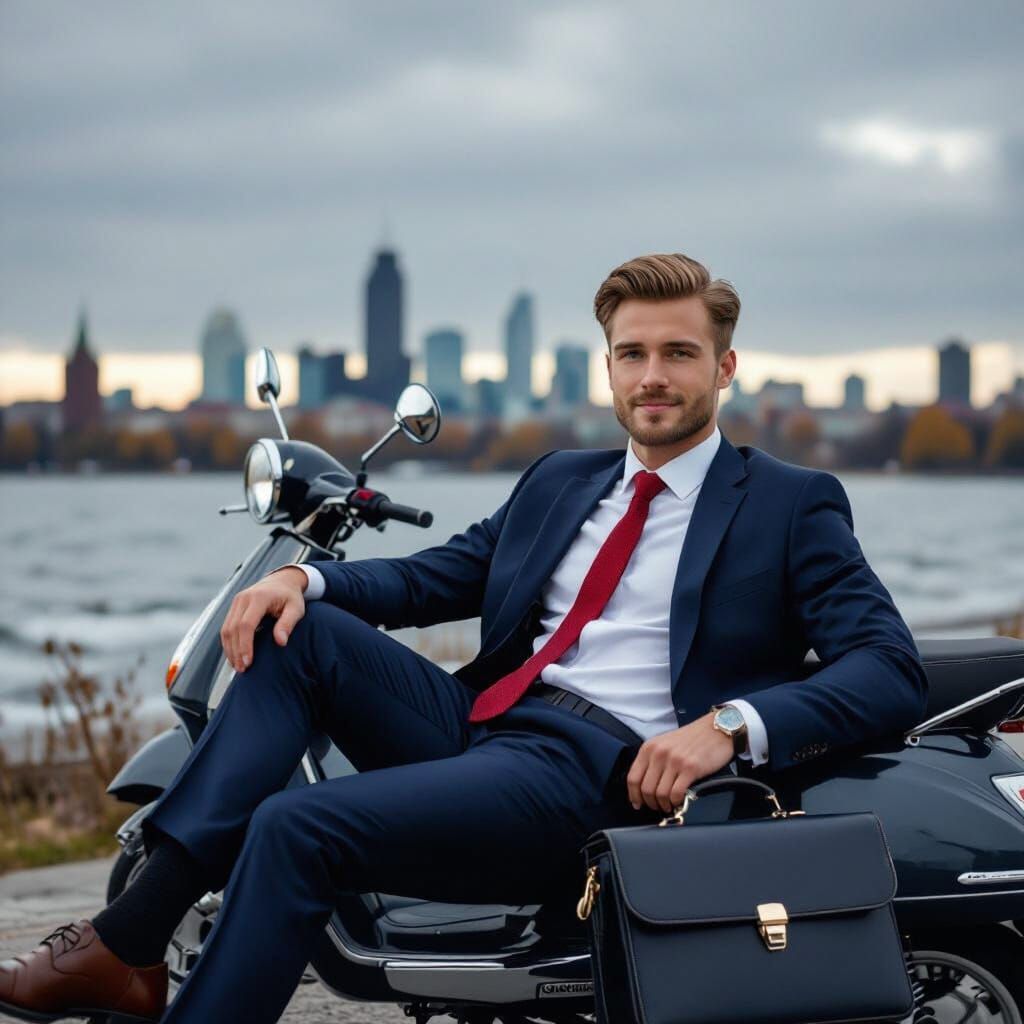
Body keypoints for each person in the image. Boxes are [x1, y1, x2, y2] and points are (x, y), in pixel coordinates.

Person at [0, 253, 927, 1023]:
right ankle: (128, 947)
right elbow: (437, 575)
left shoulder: (789, 504)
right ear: (607, 369)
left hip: (600, 774)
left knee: (296, 825)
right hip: (486, 728)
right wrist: (301, 575)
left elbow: (889, 667)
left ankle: (130, 956)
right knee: (303, 631)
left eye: (679, 354)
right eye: (632, 354)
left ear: (724, 369)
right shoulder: (564, 480)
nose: (653, 376)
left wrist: (724, 725)